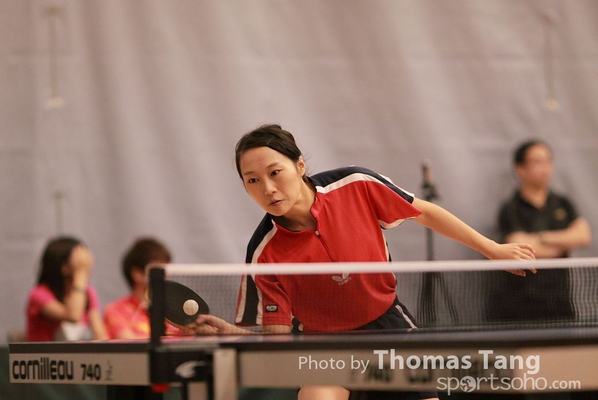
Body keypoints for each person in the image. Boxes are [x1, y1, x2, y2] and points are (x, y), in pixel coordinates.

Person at [192, 124, 536, 400]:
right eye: (252, 180)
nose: (267, 188)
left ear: (299, 166)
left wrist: (492, 248)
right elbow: (277, 343)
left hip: (388, 327)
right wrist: (233, 336)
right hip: (323, 349)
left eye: (275, 172)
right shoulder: (263, 253)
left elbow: (425, 212)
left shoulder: (355, 185)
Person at [489, 140, 591, 322]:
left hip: (560, 303)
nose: (544, 167)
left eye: (548, 161)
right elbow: (521, 249)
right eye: (537, 161)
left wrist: (542, 237)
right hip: (521, 305)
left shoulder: (563, 203)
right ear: (520, 169)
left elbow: (583, 236)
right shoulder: (511, 209)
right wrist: (564, 243)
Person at [26, 236, 108, 342]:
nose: (86, 263)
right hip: (47, 352)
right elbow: (73, 315)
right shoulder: (39, 294)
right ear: (64, 267)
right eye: (80, 260)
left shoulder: (88, 292)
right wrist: (81, 274)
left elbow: (100, 336)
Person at [104, 237, 173, 339]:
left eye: (167, 270)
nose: (167, 276)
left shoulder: (173, 312)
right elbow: (130, 342)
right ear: (137, 274)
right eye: (159, 271)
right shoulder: (116, 311)